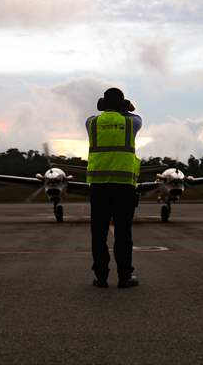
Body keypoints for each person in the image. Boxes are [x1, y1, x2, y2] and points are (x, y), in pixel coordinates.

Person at [86, 87, 141, 288]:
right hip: (124, 187)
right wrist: (125, 107)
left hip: (99, 187)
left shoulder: (91, 123)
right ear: (122, 105)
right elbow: (135, 114)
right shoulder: (131, 122)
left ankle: (101, 277)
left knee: (98, 234)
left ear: (102, 104)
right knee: (123, 233)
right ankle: (124, 277)